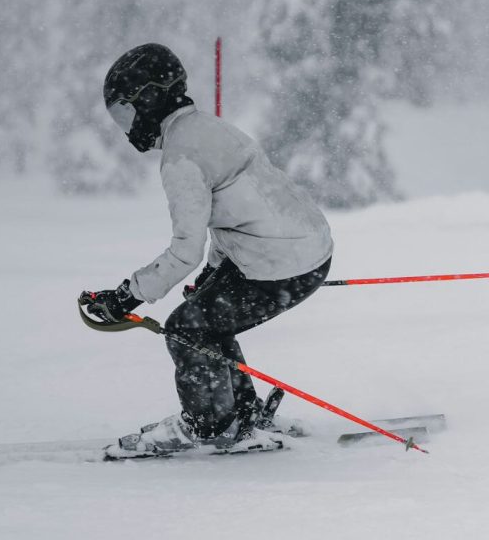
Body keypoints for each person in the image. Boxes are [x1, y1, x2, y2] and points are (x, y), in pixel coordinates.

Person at [84, 43, 333, 453]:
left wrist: (127, 295)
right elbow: (237, 214)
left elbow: (185, 249)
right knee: (206, 320)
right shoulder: (207, 128)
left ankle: (207, 426)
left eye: (125, 113)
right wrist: (211, 276)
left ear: (149, 99)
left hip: (279, 265)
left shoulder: (182, 158)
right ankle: (242, 415)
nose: (127, 128)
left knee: (186, 328)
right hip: (304, 247)